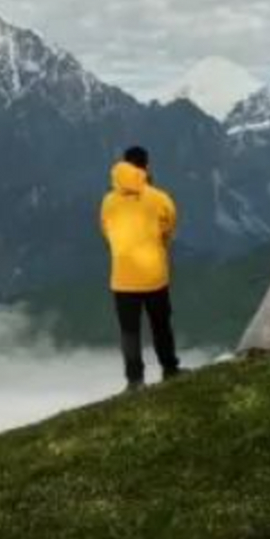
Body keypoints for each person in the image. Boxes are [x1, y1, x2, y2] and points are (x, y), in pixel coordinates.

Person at [101, 145, 180, 390]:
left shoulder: (108, 202)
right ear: (146, 166)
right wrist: (157, 246)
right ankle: (170, 369)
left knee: (129, 332)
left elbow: (106, 231)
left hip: (122, 277)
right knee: (161, 325)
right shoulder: (159, 198)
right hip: (154, 274)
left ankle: (135, 381)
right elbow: (169, 229)